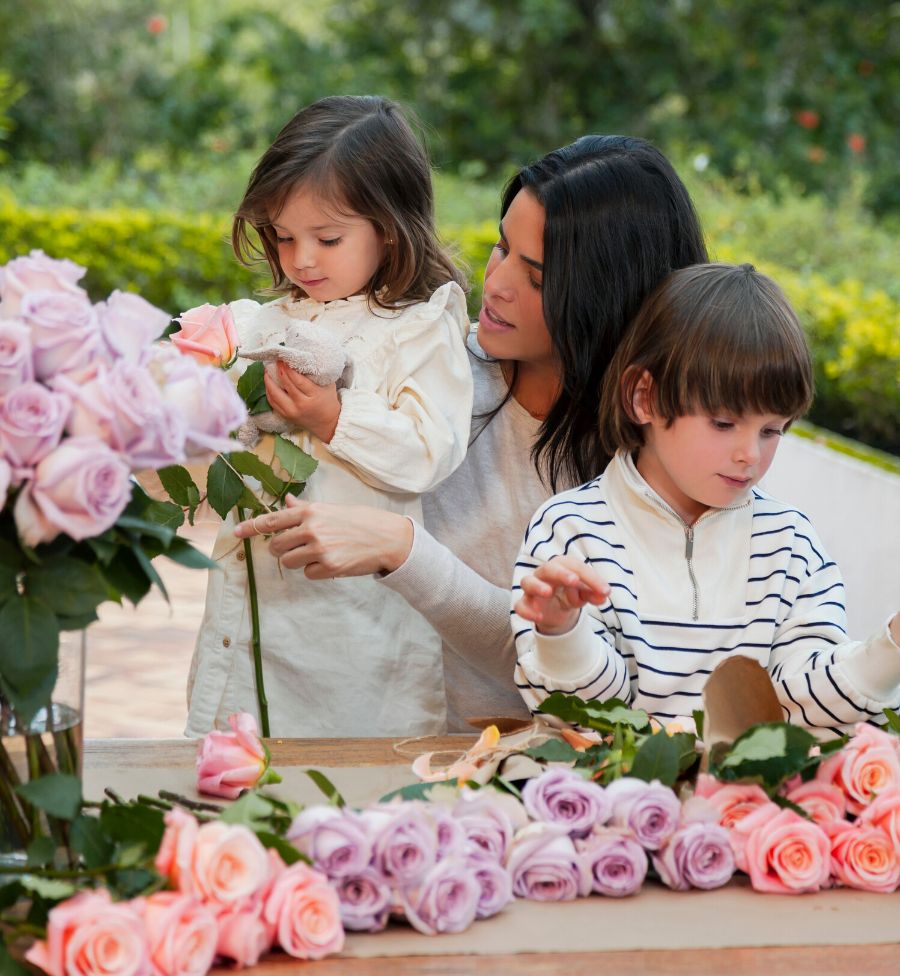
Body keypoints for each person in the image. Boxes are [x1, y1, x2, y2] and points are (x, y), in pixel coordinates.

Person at [236, 134, 709, 732]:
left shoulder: (655, 463)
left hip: (515, 771)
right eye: (501, 246)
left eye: (536, 277)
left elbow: (587, 678)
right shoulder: (420, 375)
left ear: (608, 298)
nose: (498, 283)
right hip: (358, 738)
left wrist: (405, 551)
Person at [186, 95, 474, 739]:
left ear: (392, 227)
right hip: (254, 600)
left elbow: (430, 451)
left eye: (328, 238)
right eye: (283, 236)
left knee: (343, 771)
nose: (301, 259)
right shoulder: (270, 320)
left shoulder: (417, 328)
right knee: (237, 758)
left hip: (354, 623)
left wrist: (334, 416)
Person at [512, 262, 900, 736]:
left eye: (772, 430)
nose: (749, 455)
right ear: (644, 397)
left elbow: (806, 711)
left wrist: (891, 649)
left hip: (753, 807)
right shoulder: (571, 531)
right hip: (614, 806)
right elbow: (580, 720)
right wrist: (561, 633)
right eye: (723, 423)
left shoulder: (792, 546)